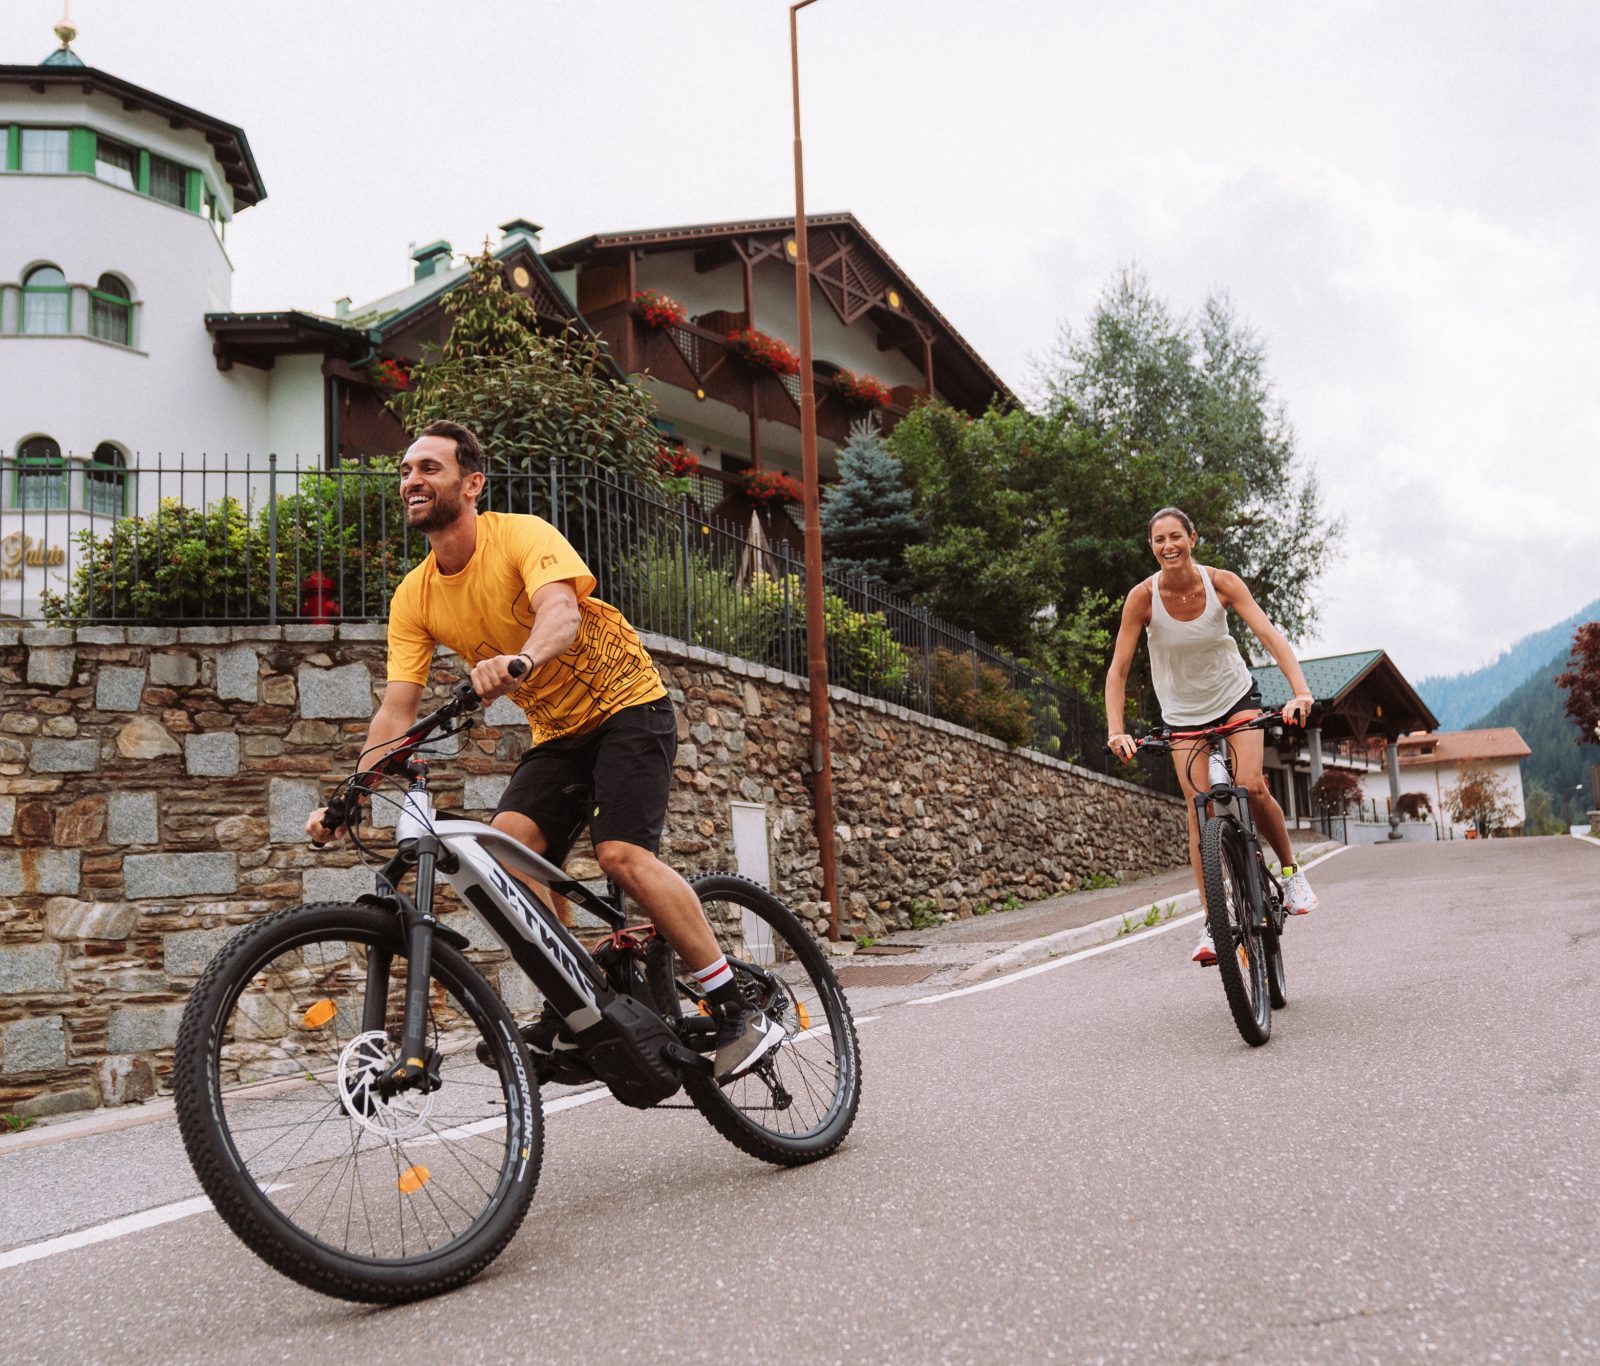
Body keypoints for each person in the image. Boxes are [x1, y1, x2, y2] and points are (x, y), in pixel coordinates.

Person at [306, 419, 782, 1080]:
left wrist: (520, 659)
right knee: (507, 853)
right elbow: (397, 707)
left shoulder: (521, 535)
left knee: (620, 855)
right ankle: (586, 1008)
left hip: (627, 706)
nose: (412, 480)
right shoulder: (414, 594)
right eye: (407, 471)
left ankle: (736, 1005)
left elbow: (559, 610)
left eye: (430, 469)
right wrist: (349, 793)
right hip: (558, 735)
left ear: (470, 484)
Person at [1103, 506, 1320, 965]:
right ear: (1152, 546)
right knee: (1200, 808)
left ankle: (1291, 872)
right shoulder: (1141, 599)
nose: (1169, 546)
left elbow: (1269, 635)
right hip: (1183, 715)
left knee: (1253, 786)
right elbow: (1119, 669)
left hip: (1235, 698)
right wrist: (1116, 730)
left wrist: (1300, 691)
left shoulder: (1222, 582)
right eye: (1159, 539)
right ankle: (1212, 919)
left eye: (1176, 536)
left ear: (1192, 539)